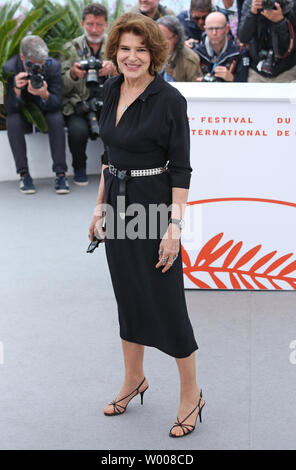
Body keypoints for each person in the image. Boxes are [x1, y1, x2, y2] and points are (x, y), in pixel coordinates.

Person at [88, 12, 205, 438]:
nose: (131, 57)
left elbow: (181, 170)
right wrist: (99, 207)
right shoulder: (111, 87)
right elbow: (108, 155)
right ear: (114, 53)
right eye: (124, 49)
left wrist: (173, 228)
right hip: (118, 204)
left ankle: (191, 393)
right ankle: (133, 379)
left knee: (166, 303)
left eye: (140, 49)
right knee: (129, 296)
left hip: (153, 207)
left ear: (154, 53)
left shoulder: (169, 100)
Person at [3, 35, 69, 194]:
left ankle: (61, 174)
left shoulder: (53, 66)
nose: (38, 69)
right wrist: (16, 90)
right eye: (33, 65)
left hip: (45, 110)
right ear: (22, 57)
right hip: (23, 111)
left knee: (56, 119)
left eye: (42, 64)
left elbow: (56, 104)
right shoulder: (10, 68)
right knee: (12, 122)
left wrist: (45, 94)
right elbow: (10, 108)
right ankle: (24, 174)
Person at [61, 3, 117, 186]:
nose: (94, 29)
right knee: (77, 131)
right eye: (90, 24)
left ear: (106, 25)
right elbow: (60, 86)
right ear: (82, 23)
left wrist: (114, 70)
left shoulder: (115, 47)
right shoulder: (70, 48)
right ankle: (79, 167)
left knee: (119, 128)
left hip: (110, 102)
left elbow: (133, 75)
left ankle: (115, 168)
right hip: (79, 104)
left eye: (99, 25)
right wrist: (73, 74)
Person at [237, 0, 296, 82]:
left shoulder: (291, 5)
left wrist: (280, 22)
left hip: (285, 70)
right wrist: (252, 13)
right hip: (256, 70)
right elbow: (243, 38)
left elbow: (290, 46)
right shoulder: (250, 3)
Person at [195, 11, 249, 81]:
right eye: (210, 29)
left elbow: (245, 84)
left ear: (227, 29)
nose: (214, 33)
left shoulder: (239, 52)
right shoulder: (196, 52)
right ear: (205, 29)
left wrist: (232, 78)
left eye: (218, 28)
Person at [157, 15, 203, 81]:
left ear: (176, 38)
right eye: (157, 38)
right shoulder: (149, 54)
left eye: (164, 39)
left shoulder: (189, 58)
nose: (159, 43)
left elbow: (195, 87)